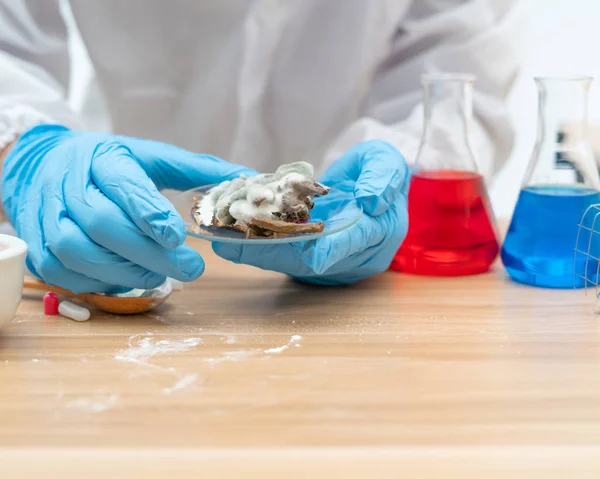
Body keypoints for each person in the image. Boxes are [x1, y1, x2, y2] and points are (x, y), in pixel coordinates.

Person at [0, 1, 522, 293]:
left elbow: (457, 76)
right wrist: (27, 152)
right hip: (108, 205)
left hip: (333, 211)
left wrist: (391, 180)